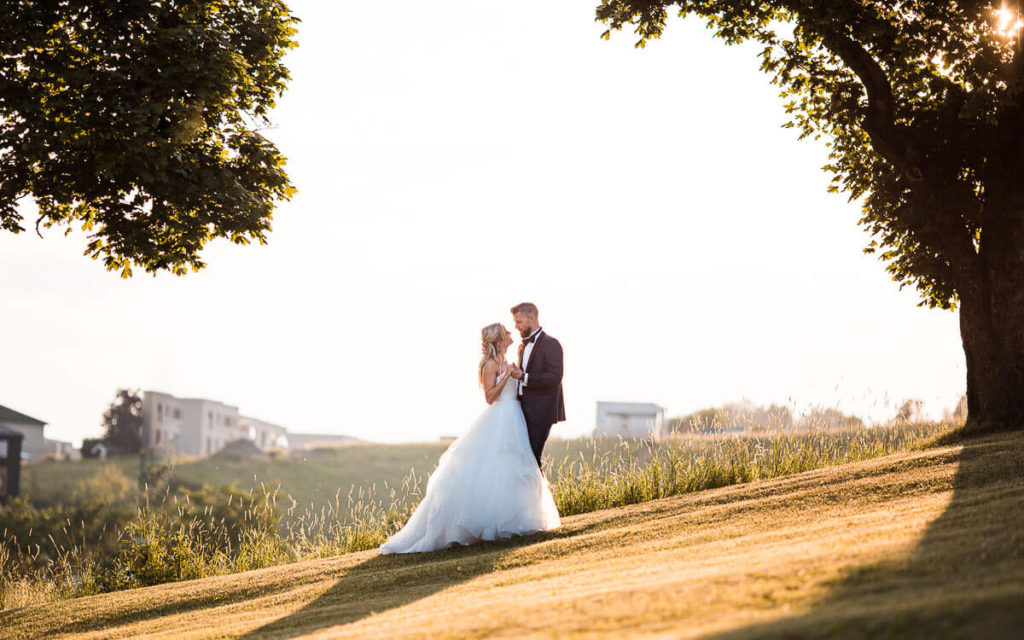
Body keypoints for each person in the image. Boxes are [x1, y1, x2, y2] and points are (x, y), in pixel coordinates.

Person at [379, 322, 560, 554]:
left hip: (515, 419)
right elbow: (489, 397)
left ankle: (514, 522)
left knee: (510, 469)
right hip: (499, 418)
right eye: (505, 332)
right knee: (489, 469)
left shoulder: (509, 359)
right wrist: (505, 378)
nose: (510, 334)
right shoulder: (490, 364)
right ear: (497, 339)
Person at [508, 302, 565, 470]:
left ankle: (536, 495)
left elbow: (555, 378)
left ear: (531, 318)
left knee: (531, 460)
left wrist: (523, 376)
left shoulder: (552, 344)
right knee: (522, 459)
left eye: (519, 322)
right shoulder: (522, 347)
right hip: (521, 412)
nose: (516, 326)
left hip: (541, 412)